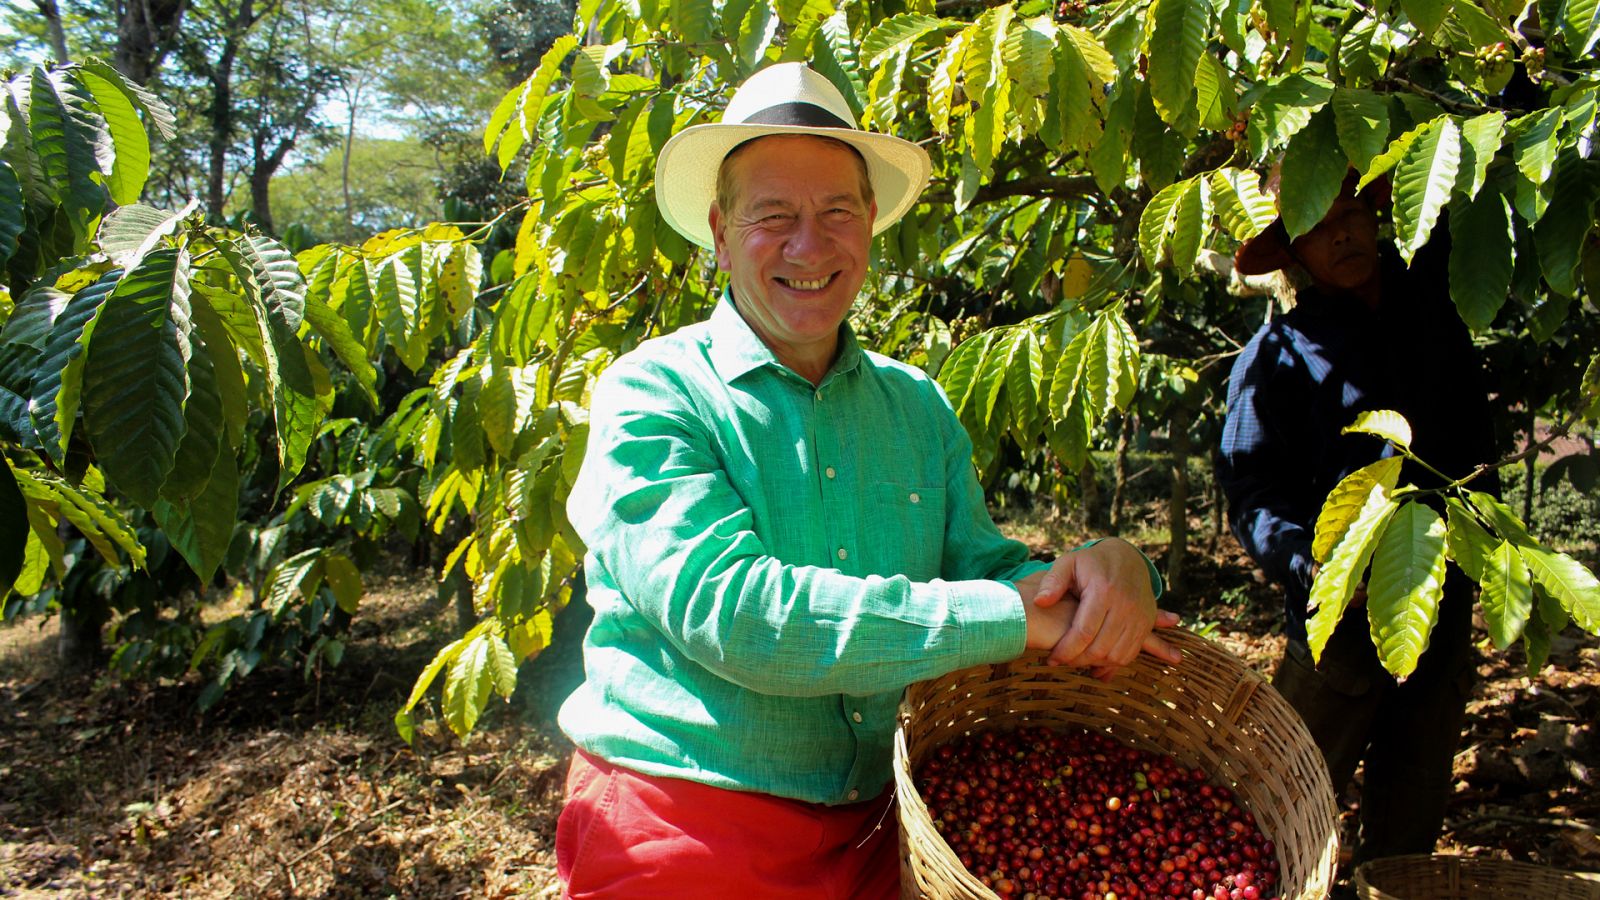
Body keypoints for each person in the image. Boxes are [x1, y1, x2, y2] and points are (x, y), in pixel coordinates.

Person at [553, 62, 1182, 898]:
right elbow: (735, 614)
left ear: (871, 221)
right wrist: (1008, 616)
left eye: (836, 212)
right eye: (772, 215)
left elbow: (981, 570)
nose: (808, 246)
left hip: (889, 829)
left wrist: (1106, 570)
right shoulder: (655, 392)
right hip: (684, 822)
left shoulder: (915, 404)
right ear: (718, 228)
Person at [1218, 170, 1498, 868]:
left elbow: (1474, 439)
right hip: (1337, 620)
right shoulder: (1275, 358)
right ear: (1293, 255)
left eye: (1351, 212)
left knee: (1410, 822)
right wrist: (1311, 569)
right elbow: (1251, 489)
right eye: (1317, 225)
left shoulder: (1436, 306)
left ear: (1377, 217)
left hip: (1438, 608)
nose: (1341, 232)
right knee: (1278, 816)